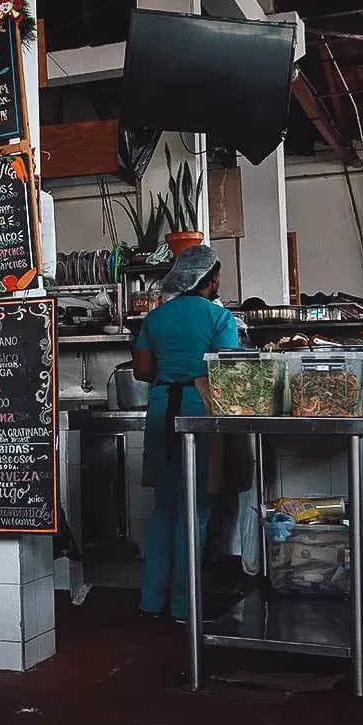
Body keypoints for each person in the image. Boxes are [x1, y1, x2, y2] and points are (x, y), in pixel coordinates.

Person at [132, 245, 238, 622]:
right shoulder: (220, 317)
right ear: (210, 280)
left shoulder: (155, 318)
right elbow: (227, 372)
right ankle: (183, 606)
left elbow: (142, 372)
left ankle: (150, 602)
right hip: (199, 408)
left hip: (160, 407)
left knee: (164, 509)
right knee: (197, 510)